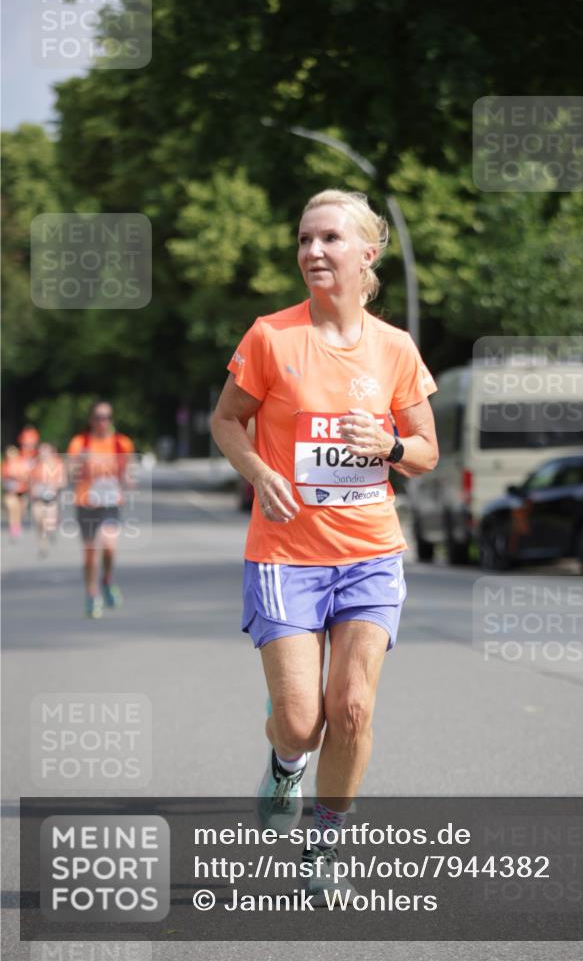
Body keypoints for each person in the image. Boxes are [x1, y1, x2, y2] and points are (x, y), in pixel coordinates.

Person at [211, 189, 438, 901]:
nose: (312, 251)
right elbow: (226, 421)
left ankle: (326, 840)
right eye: (304, 239)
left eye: (329, 239)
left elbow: (427, 450)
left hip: (370, 553)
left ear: (367, 254)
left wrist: (391, 444)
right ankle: (284, 763)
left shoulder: (395, 348)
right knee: (304, 722)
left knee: (354, 708)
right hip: (285, 555)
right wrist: (258, 473)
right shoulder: (271, 338)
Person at [67, 403, 135, 619]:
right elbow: (70, 473)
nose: (102, 421)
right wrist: (81, 465)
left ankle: (106, 580)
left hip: (110, 503)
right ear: (91, 420)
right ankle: (91, 594)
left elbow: (127, 473)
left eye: (106, 417)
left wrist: (127, 480)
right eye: (98, 417)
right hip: (86, 503)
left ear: (111, 419)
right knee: (89, 555)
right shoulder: (80, 443)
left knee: (109, 547)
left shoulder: (121, 443)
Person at [29, 443, 67, 557]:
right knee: (38, 521)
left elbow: (63, 481)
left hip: (51, 498)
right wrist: (33, 489)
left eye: (45, 452)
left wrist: (54, 485)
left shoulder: (58, 464)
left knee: (49, 522)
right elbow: (29, 480)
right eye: (41, 452)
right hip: (37, 498)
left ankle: (51, 531)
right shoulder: (34, 465)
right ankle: (42, 545)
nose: (43, 454)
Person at [2, 445, 31, 540]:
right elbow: (3, 479)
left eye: (13, 454)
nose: (11, 456)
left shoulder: (22, 463)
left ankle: (17, 524)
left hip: (22, 490)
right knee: (12, 509)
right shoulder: (5, 465)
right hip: (10, 491)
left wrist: (19, 477)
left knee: (20, 510)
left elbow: (28, 476)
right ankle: (13, 529)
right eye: (9, 454)